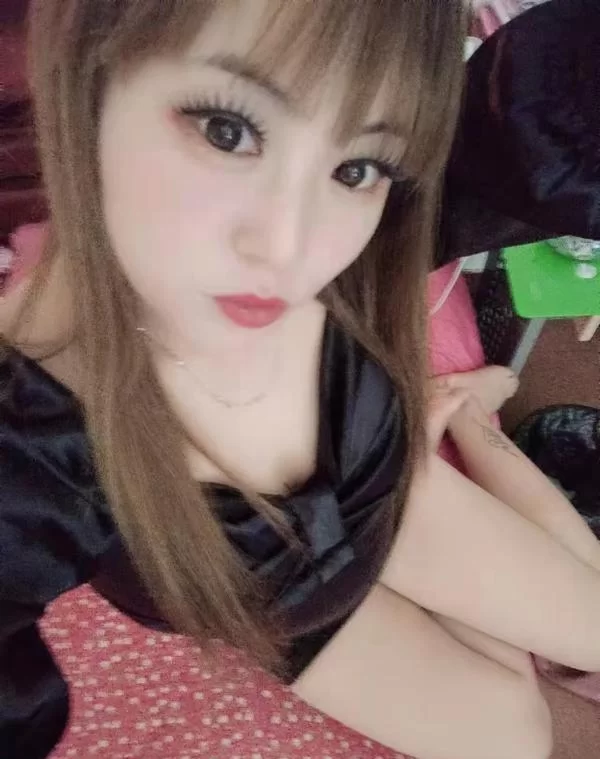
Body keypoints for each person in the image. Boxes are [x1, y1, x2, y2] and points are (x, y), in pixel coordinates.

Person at [1, 2, 600, 758]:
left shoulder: (314, 246)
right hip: (290, 601)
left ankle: (464, 420)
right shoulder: (28, 460)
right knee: (516, 739)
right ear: (86, 79)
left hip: (389, 486)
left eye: (358, 168)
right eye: (227, 130)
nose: (294, 248)